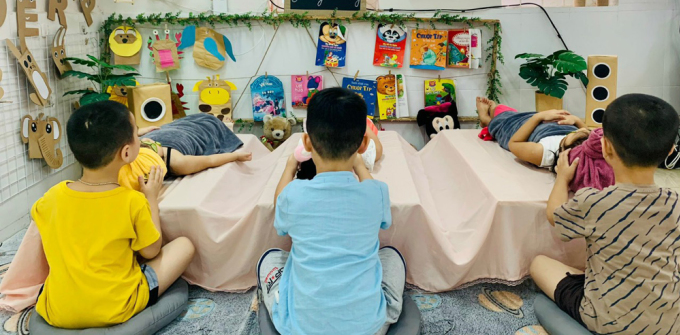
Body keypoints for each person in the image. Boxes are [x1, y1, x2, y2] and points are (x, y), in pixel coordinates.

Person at [30, 101, 195, 329]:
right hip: (119, 307)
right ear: (127, 153)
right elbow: (151, 251)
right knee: (185, 245)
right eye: (136, 134)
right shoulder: (132, 201)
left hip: (58, 311)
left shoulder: (49, 199)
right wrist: (151, 198)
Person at [257, 88, 406, 335]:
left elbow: (280, 208)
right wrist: (358, 165)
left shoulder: (293, 195)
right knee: (391, 256)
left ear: (306, 142)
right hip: (368, 327)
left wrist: (289, 166)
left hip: (301, 328)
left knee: (270, 259)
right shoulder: (377, 192)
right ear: (363, 145)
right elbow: (373, 197)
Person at [530, 94, 680, 334]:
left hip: (607, 320)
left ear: (606, 147)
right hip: (670, 323)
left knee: (538, 264)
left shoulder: (595, 201)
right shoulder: (676, 203)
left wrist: (562, 178)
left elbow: (555, 216)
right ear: (670, 150)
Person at [118, 113, 252, 190]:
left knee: (208, 121)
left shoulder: (174, 160)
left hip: (180, 133)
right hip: (168, 137)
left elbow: (210, 160)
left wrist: (234, 156)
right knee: (207, 120)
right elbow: (209, 160)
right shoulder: (116, 162)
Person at [477, 97, 590, 170]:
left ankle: (486, 120)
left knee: (500, 114)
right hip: (546, 121)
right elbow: (590, 133)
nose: (579, 130)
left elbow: (514, 143)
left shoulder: (545, 152)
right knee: (503, 110)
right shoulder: (589, 146)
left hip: (526, 127)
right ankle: (494, 115)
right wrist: (576, 120)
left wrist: (538, 117)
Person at [294, 116, 383, 180]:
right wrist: (359, 166)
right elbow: (378, 150)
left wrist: (290, 166)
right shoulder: (358, 154)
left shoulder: (304, 151)